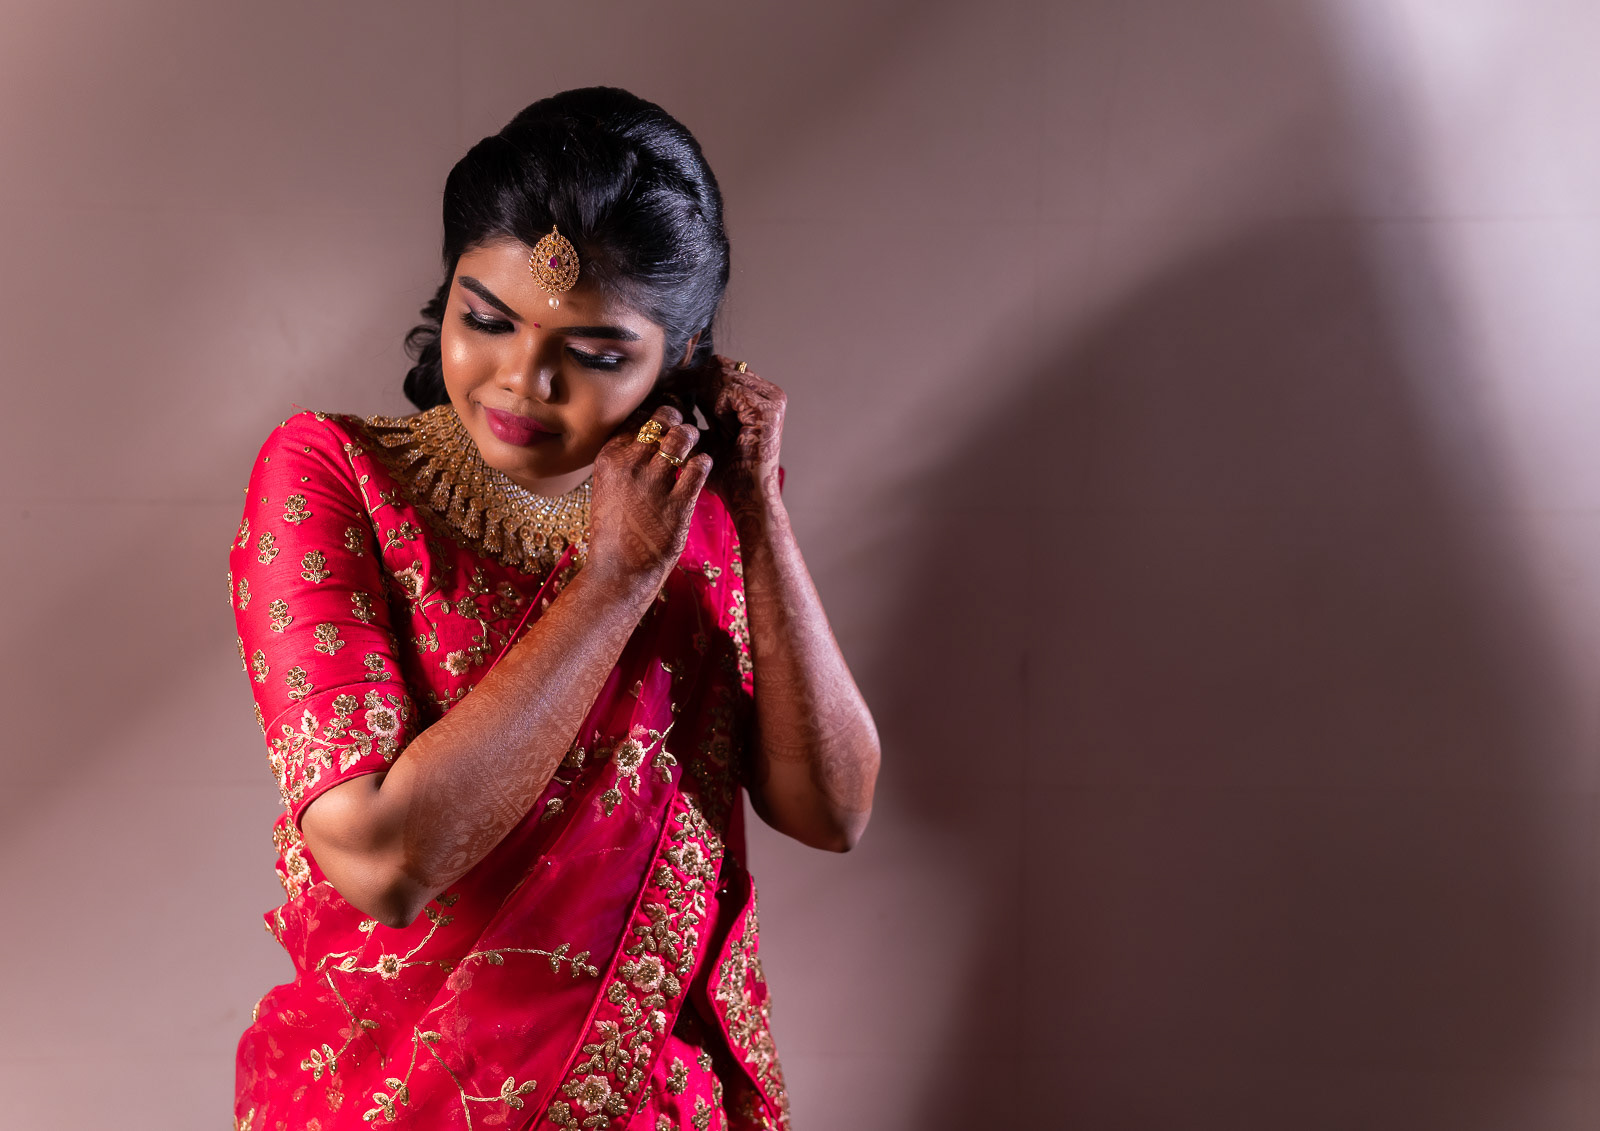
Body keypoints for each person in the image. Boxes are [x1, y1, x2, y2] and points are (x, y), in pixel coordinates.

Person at [228, 87, 880, 1131]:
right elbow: (382, 862)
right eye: (485, 320)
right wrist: (615, 581)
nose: (523, 379)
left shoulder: (699, 510)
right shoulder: (336, 476)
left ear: (682, 355)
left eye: (596, 354)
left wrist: (756, 504)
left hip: (659, 1100)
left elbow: (832, 812)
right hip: (395, 1100)